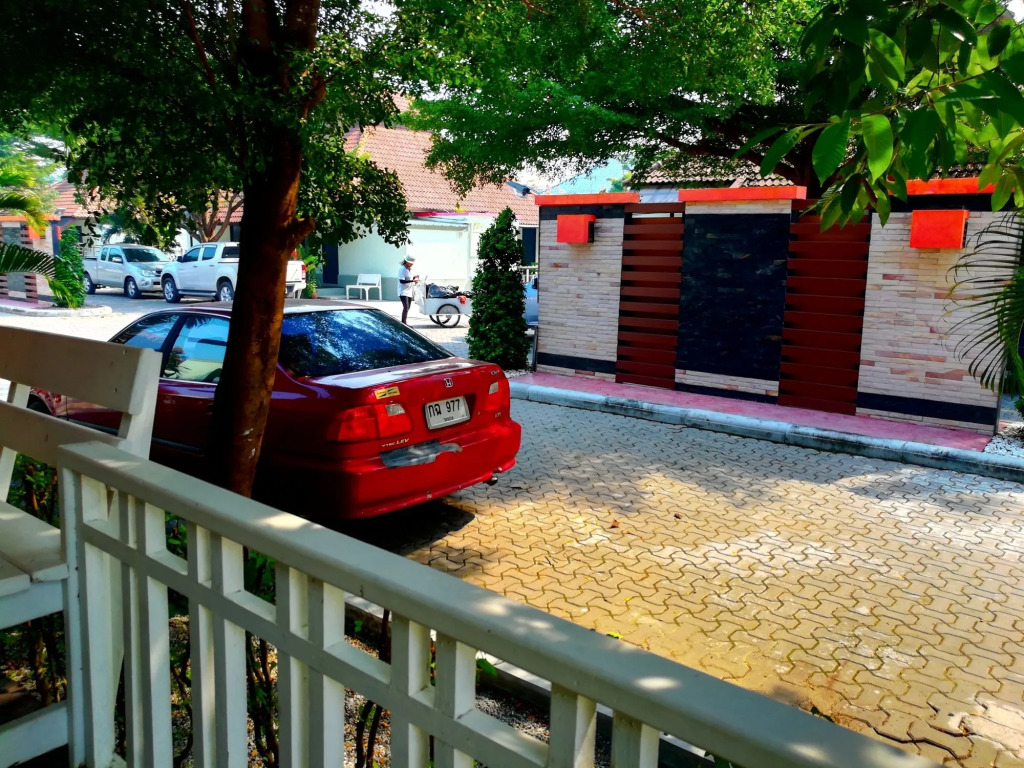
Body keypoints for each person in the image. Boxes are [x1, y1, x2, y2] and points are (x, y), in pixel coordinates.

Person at [398, 256, 419, 325]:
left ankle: (404, 322)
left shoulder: (409, 269)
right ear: (406, 262)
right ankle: (404, 323)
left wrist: (414, 277)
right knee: (406, 307)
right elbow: (401, 281)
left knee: (408, 307)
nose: (412, 264)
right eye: (411, 263)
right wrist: (413, 280)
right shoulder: (402, 269)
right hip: (403, 291)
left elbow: (408, 278)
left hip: (409, 290)